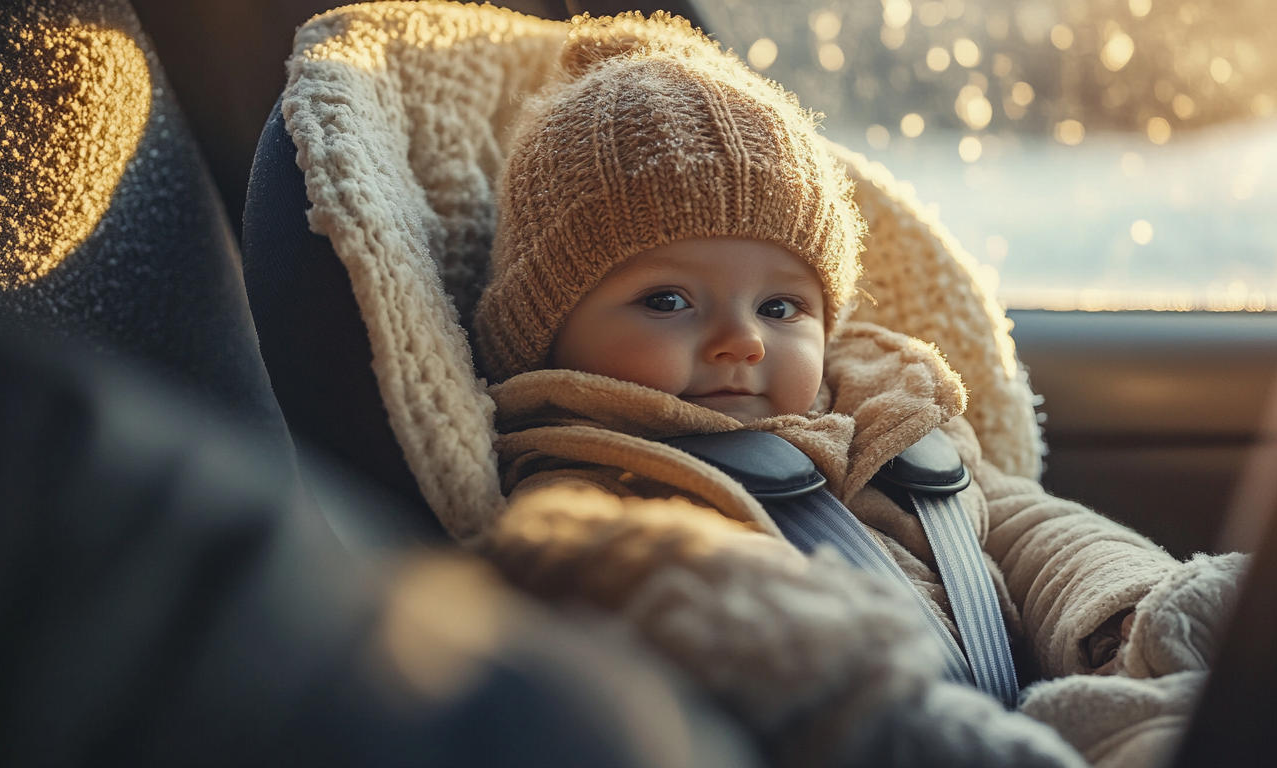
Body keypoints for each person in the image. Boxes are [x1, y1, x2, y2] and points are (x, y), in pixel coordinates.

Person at [467, 12, 1232, 767]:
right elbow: (636, 586)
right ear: (549, 328)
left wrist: (1127, 614)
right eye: (668, 301)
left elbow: (1022, 528)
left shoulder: (887, 414)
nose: (745, 340)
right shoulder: (592, 481)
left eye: (780, 307)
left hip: (1042, 712)